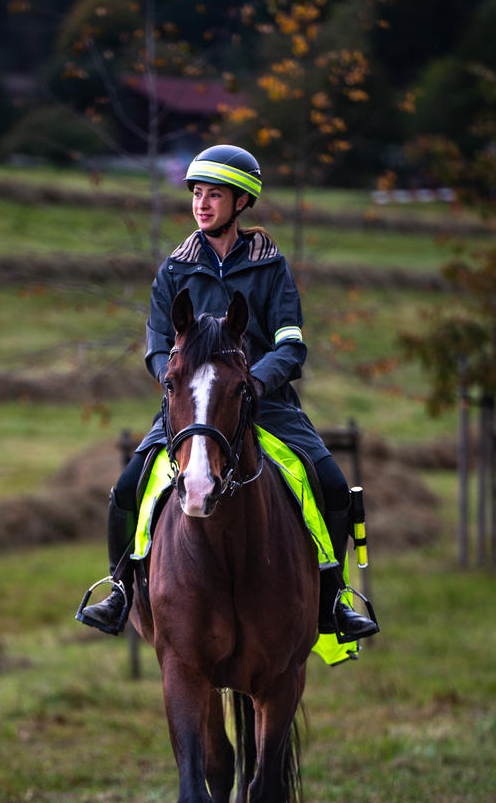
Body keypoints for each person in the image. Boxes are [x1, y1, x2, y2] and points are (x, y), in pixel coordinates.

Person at [77, 143, 379, 643]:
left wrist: (254, 383)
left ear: (241, 203)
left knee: (330, 482)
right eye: (197, 194)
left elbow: (291, 343)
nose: (202, 204)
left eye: (214, 195)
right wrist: (180, 382)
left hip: (266, 403)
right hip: (191, 408)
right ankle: (121, 589)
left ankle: (333, 598)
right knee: (128, 487)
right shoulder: (175, 269)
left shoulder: (270, 267)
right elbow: (156, 345)